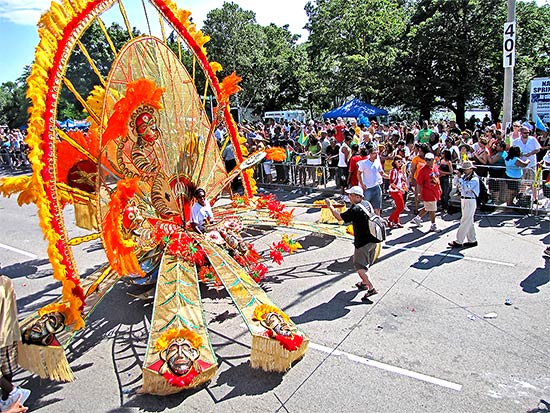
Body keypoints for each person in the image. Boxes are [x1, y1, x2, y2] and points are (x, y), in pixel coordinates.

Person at [324, 186, 378, 301]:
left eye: (351, 195)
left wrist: (330, 206)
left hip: (363, 242)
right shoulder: (367, 204)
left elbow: (339, 217)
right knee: (366, 263)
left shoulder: (355, 210)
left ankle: (371, 288)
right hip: (374, 239)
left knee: (360, 266)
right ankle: (364, 283)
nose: (349, 196)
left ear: (357, 197)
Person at [0, 276, 30, 412]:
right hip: (9, 332)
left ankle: (11, 392)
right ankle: (7, 398)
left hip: (3, 335)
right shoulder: (6, 281)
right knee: (7, 369)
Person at [448, 161, 480, 248]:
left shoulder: (474, 179)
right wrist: (458, 178)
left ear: (471, 169)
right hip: (464, 199)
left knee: (465, 220)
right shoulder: (465, 178)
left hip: (470, 200)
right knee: (469, 221)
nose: (464, 171)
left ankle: (459, 241)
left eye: (466, 169)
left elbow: (466, 188)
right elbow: (457, 185)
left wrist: (460, 179)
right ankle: (472, 240)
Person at [410, 152, 442, 232]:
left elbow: (437, 177)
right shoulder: (422, 170)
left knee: (429, 207)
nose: (427, 161)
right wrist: (419, 193)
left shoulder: (435, 167)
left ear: (433, 160)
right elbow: (419, 183)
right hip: (428, 192)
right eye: (426, 160)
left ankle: (417, 218)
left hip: (435, 191)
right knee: (432, 209)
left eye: (429, 160)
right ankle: (433, 225)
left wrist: (440, 187)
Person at [357, 144, 387, 216]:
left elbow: (381, 173)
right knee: (365, 207)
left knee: (377, 207)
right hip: (367, 188)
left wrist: (390, 177)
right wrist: (362, 184)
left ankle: (378, 222)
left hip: (376, 187)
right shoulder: (364, 163)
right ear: (370, 154)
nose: (376, 154)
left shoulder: (377, 162)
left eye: (376, 153)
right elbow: (358, 174)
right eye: (374, 153)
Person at [387, 156, 407, 228]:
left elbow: (402, 181)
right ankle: (390, 219)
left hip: (399, 190)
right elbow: (392, 183)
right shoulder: (393, 171)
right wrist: (399, 189)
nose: (400, 163)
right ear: (394, 162)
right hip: (394, 191)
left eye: (401, 161)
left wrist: (404, 187)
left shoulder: (400, 170)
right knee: (401, 207)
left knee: (399, 206)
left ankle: (396, 221)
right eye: (398, 161)